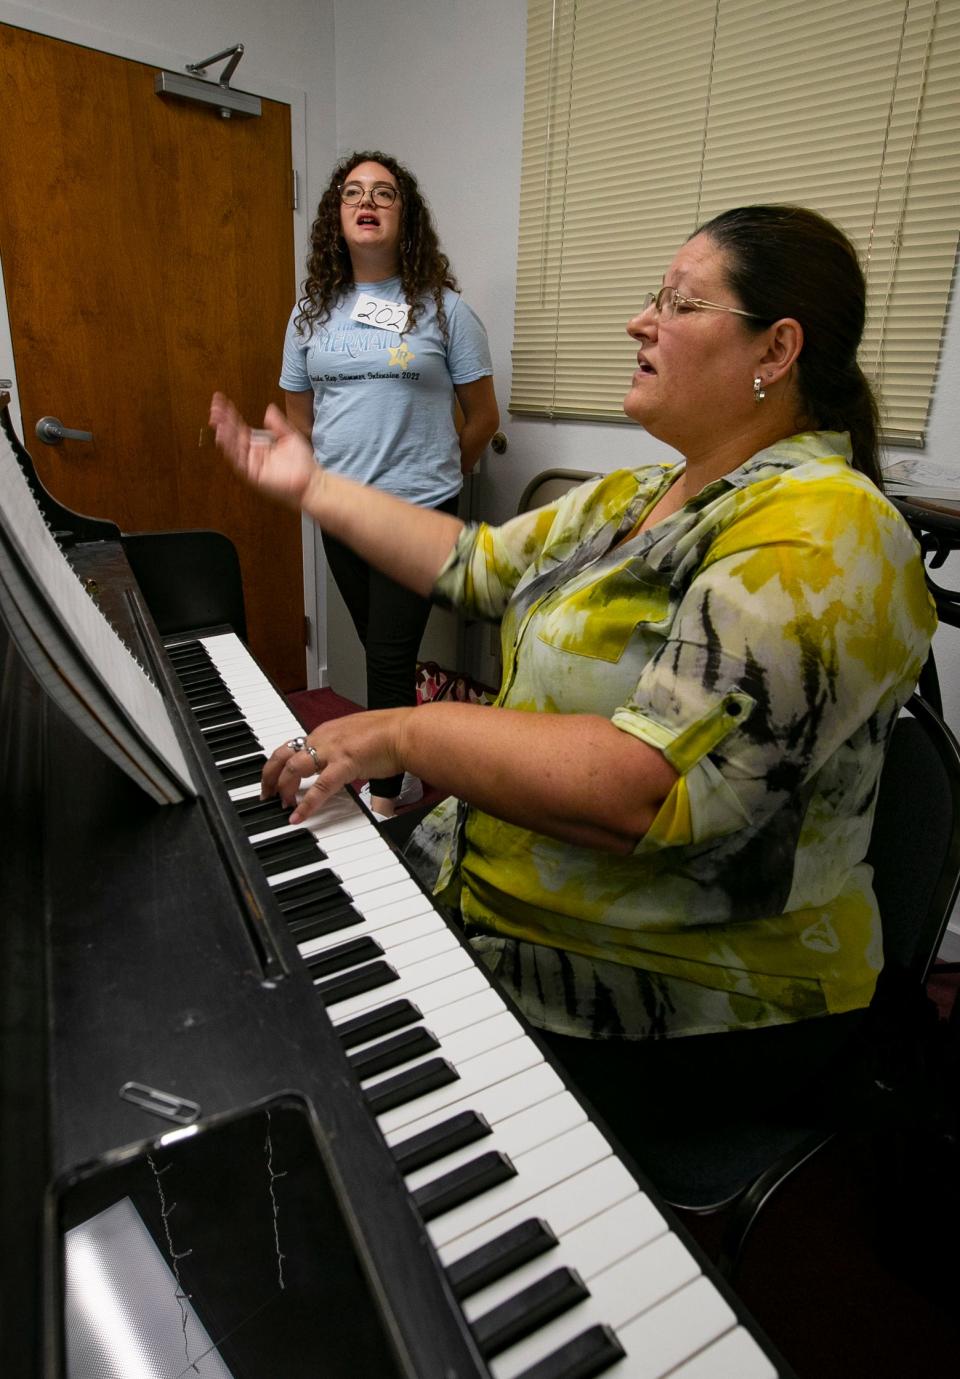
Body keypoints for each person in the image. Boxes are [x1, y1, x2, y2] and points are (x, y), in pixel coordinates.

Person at [210, 204, 935, 1148]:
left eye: (679, 301)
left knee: (319, 1088)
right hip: (493, 901)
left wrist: (401, 733)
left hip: (671, 991)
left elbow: (647, 788)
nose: (642, 320)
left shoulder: (828, 529)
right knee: (255, 948)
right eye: (652, 297)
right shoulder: (638, 494)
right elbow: (472, 562)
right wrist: (312, 486)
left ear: (777, 348)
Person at [280, 150, 499, 818]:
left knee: (390, 651)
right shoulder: (310, 315)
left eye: (383, 192)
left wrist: (436, 477)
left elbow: (483, 416)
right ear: (337, 216)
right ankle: (399, 756)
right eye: (352, 192)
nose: (366, 201)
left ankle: (385, 787)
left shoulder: (445, 312)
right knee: (381, 646)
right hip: (342, 511)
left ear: (405, 216)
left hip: (418, 510)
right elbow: (298, 416)